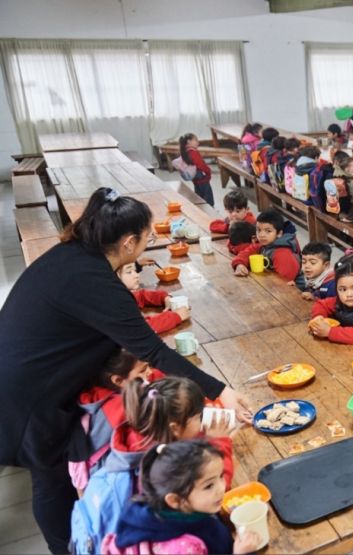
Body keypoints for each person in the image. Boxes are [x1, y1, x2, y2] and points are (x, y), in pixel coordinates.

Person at [0, 188, 247, 553]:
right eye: (147, 238)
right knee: (49, 475)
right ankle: (67, 545)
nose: (147, 246)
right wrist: (221, 390)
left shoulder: (74, 255)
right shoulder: (94, 280)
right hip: (27, 395)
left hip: (28, 372)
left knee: (55, 472)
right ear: (129, 242)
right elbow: (150, 350)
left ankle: (82, 533)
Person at [71, 377, 234, 555]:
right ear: (175, 428)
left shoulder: (138, 438)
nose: (202, 420)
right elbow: (212, 483)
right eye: (198, 417)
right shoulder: (162, 466)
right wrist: (219, 441)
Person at [101, 440, 260, 555]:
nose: (221, 487)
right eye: (209, 486)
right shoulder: (185, 548)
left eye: (221, 476)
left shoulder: (153, 509)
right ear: (175, 500)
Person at [69, 350, 162, 493]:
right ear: (118, 380)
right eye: (143, 370)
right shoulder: (121, 408)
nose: (149, 372)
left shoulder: (97, 395)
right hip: (113, 480)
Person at [231, 209, 304, 289]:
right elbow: (246, 252)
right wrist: (240, 264)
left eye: (268, 231)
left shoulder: (283, 254)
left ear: (279, 233)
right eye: (259, 230)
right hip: (271, 288)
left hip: (293, 294)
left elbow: (283, 285)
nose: (262, 235)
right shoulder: (264, 244)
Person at [117, 262, 190, 334]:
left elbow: (141, 296)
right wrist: (175, 316)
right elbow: (138, 330)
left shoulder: (123, 294)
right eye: (129, 272)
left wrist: (164, 298)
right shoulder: (115, 304)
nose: (137, 275)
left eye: (135, 270)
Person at [179, 133, 214, 207]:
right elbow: (201, 165)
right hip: (202, 178)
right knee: (208, 199)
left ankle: (201, 209)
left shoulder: (186, 152)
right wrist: (208, 172)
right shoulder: (193, 152)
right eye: (196, 140)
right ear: (189, 141)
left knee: (198, 197)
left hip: (195, 179)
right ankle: (210, 211)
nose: (198, 142)